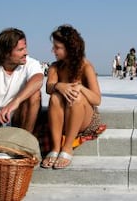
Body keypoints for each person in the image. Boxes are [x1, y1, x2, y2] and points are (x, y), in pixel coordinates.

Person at [42, 25, 102, 169]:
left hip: (84, 117)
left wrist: (81, 88)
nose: (53, 51)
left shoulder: (85, 66)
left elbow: (97, 99)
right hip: (64, 118)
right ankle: (56, 148)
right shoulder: (55, 67)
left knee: (77, 96)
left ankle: (67, 147)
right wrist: (59, 86)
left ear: (69, 48)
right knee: (55, 97)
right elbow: (49, 87)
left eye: (57, 47)